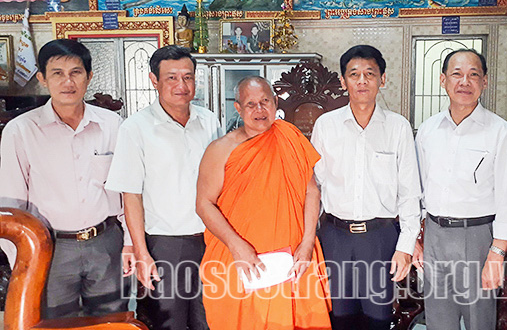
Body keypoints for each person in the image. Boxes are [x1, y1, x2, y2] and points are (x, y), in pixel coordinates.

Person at [0, 39, 131, 319]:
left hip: (106, 244)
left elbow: (127, 192)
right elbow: (11, 205)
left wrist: (130, 242)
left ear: (89, 77)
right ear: (43, 79)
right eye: (57, 73)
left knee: (111, 320)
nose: (67, 81)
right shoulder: (21, 131)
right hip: (50, 249)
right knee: (55, 323)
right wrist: (23, 262)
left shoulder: (112, 125)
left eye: (76, 72)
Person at [197, 76, 332, 330]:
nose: (259, 110)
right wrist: (237, 246)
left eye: (265, 102)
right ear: (238, 108)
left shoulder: (290, 137)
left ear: (275, 103)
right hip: (242, 259)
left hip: (291, 257)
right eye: (251, 104)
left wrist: (307, 243)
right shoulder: (221, 149)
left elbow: (311, 192)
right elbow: (204, 204)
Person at [105, 45, 221, 330]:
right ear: (154, 80)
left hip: (210, 241)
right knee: (167, 322)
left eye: (188, 77)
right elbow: (130, 196)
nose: (181, 85)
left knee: (210, 319)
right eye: (171, 78)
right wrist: (142, 253)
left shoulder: (208, 121)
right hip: (164, 245)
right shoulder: (136, 128)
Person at [311, 45, 422, 330]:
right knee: (339, 317)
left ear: (382, 79)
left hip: (380, 238)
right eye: (354, 74)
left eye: (369, 74)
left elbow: (410, 192)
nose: (362, 81)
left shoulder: (398, 127)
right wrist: (307, 238)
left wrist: (405, 246)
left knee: (378, 318)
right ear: (342, 80)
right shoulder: (326, 126)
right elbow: (315, 187)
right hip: (335, 237)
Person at [413, 49, 507, 329]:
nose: (465, 82)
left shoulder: (501, 132)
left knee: (479, 319)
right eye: (457, 74)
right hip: (435, 235)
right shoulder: (427, 131)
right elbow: (419, 189)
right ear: (443, 80)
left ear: (484, 82)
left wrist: (497, 252)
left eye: (473, 75)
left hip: (478, 238)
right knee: (438, 319)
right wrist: (418, 236)